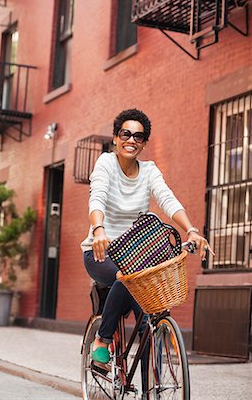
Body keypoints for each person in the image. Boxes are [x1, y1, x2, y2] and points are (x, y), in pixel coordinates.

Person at [81, 108, 214, 366]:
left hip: (136, 255)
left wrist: (191, 230)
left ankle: (149, 390)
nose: (132, 140)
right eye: (126, 134)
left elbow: (167, 199)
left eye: (138, 136)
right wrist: (99, 230)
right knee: (126, 280)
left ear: (144, 143)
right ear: (116, 138)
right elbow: (96, 195)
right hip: (101, 252)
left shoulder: (150, 171)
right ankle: (103, 338)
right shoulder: (106, 163)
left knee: (149, 321)